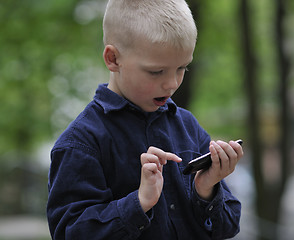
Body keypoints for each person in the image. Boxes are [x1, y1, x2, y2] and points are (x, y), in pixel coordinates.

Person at [47, 0, 244, 239]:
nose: (172, 83)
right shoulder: (81, 142)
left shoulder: (188, 126)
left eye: (182, 68)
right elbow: (70, 233)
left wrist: (206, 190)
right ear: (113, 59)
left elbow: (229, 226)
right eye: (156, 71)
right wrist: (139, 203)